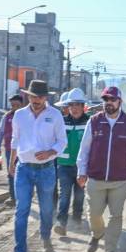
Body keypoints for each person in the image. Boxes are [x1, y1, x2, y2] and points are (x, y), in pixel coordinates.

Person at [76, 86, 126, 252]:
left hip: (120, 180)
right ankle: (97, 234)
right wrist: (81, 171)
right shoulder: (94, 121)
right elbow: (84, 150)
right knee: (94, 213)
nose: (108, 103)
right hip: (95, 178)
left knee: (116, 216)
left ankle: (110, 251)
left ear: (119, 102)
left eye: (112, 100)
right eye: (106, 100)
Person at [9, 80, 67, 252]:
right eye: (34, 96)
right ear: (28, 96)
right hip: (24, 169)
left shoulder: (55, 115)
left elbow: (62, 142)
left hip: (46, 169)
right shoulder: (19, 115)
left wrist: (50, 152)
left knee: (46, 209)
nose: (37, 100)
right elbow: (15, 140)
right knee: (21, 210)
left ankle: (45, 236)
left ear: (46, 98)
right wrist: (11, 163)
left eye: (40, 97)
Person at [54, 88, 90, 236]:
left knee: (80, 195)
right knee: (65, 194)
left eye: (77, 105)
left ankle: (76, 219)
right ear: (68, 107)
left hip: (82, 167)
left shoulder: (89, 122)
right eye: (71, 105)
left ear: (83, 106)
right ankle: (61, 223)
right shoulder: (62, 122)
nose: (74, 108)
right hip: (64, 165)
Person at [0, 93, 24, 205]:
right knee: (11, 172)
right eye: (12, 105)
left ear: (22, 104)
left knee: (23, 173)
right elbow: (0, 133)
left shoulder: (26, 116)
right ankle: (13, 197)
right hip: (9, 150)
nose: (14, 107)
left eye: (17, 105)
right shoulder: (6, 117)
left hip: (23, 151)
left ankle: (24, 195)